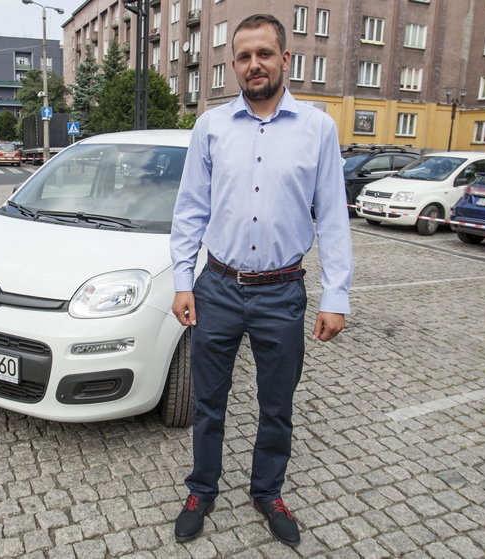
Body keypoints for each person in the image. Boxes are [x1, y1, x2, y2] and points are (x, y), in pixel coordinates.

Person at [169, 13, 352, 547]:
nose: (255, 65)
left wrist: (335, 296)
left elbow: (333, 218)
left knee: (277, 405)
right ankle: (202, 489)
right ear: (233, 65)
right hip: (217, 288)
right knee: (208, 402)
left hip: (281, 293)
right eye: (244, 56)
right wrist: (184, 279)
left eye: (264, 54)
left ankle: (267, 491)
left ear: (284, 60)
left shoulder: (318, 128)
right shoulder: (212, 125)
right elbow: (189, 210)